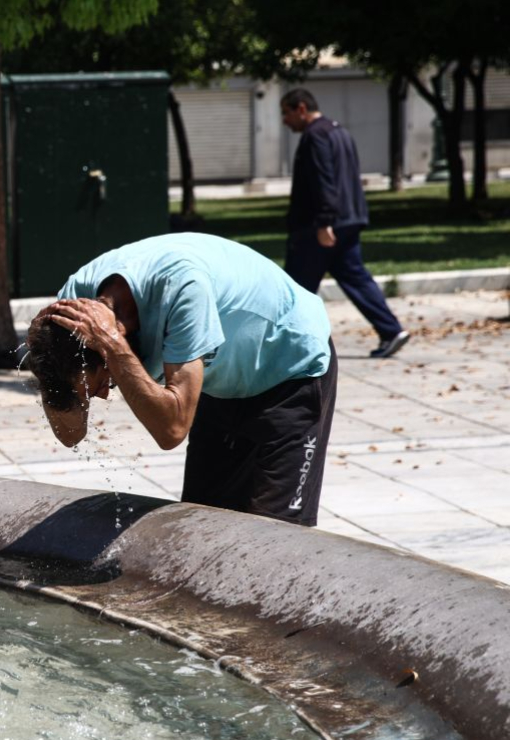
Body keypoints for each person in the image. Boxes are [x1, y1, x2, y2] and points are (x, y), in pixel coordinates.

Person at [26, 232, 337, 527]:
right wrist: (48, 373)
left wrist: (113, 347)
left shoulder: (182, 289)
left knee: (275, 537)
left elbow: (172, 429)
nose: (107, 394)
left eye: (104, 381)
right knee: (203, 526)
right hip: (222, 384)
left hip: (291, 368)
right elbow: (71, 435)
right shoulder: (71, 311)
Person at [280, 87, 409, 358]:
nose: (285, 120)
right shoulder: (339, 131)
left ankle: (284, 348)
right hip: (349, 218)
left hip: (321, 227)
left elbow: (324, 179)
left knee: (294, 288)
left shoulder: (315, 136)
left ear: (301, 108)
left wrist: (324, 221)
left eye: (287, 113)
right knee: (355, 277)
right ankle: (391, 330)